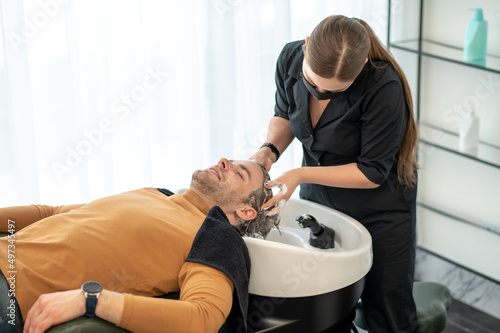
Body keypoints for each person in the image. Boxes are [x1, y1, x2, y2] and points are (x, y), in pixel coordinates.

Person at [250, 15, 419, 332]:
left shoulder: (384, 87)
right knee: (330, 307)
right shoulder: (290, 58)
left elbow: (372, 172)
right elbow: (285, 115)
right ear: (306, 46)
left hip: (379, 212)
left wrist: (299, 175)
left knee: (386, 314)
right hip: (320, 202)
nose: (318, 93)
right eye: (312, 84)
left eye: (331, 92)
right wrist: (269, 150)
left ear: (363, 65)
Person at [0, 158, 280, 333]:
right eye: (229, 160)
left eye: (239, 173)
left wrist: (91, 299)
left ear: (246, 211)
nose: (223, 162)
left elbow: (203, 318)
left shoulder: (214, 238)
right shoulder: (155, 194)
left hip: (10, 293)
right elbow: (52, 212)